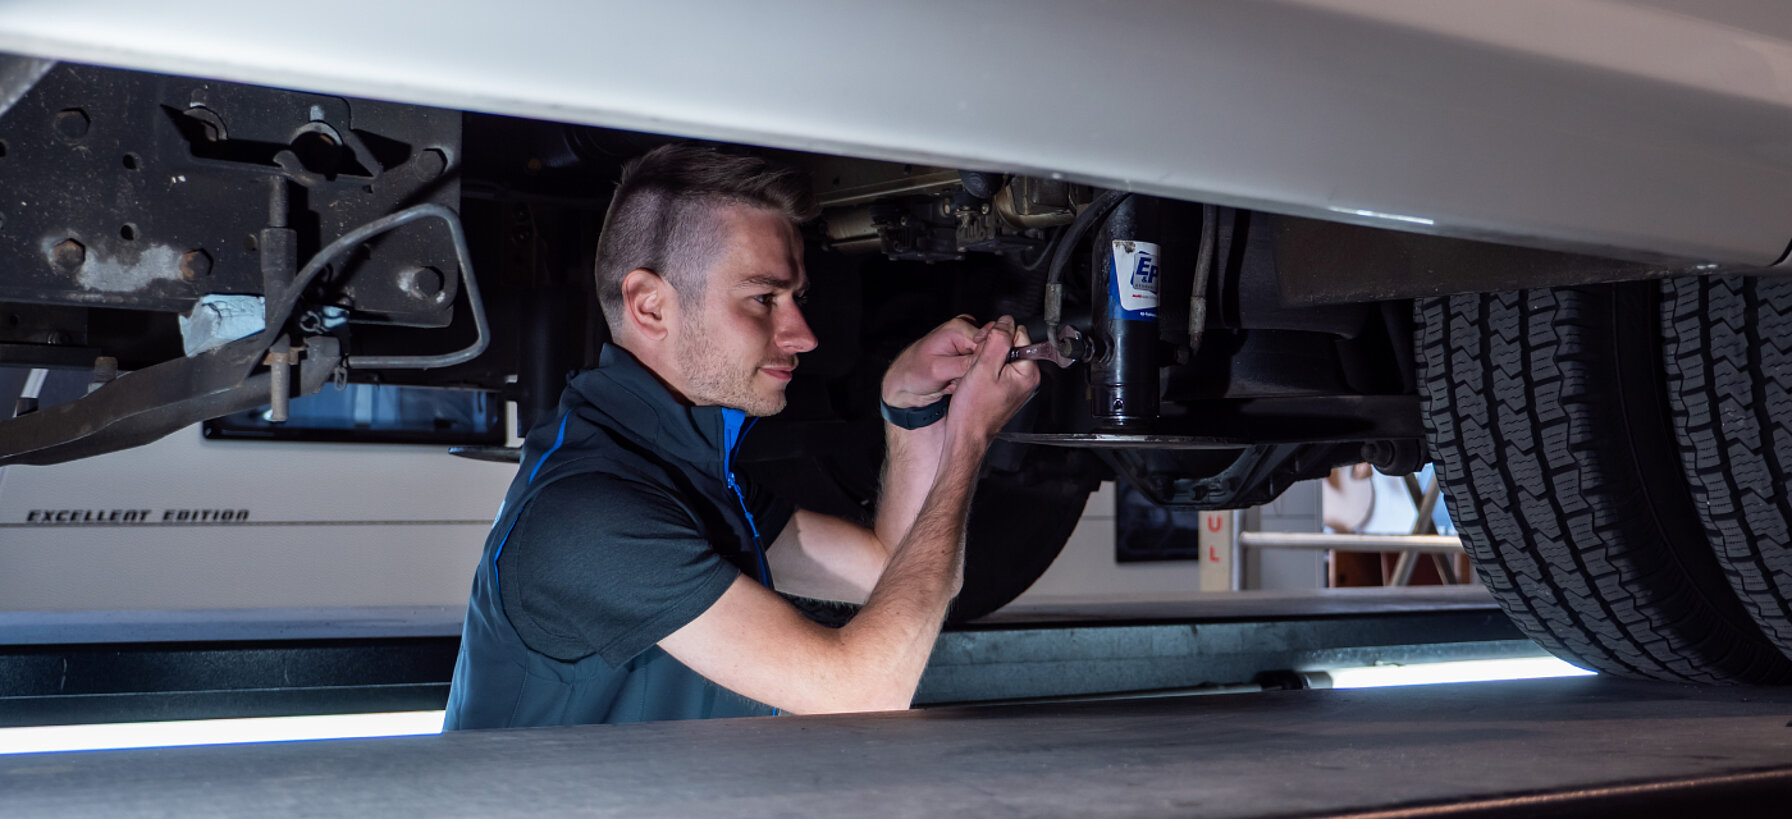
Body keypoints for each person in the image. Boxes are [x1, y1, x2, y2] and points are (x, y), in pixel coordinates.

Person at [443, 144, 1039, 727]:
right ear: (650, 306)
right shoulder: (591, 511)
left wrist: (910, 410)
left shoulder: (684, 477)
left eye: (795, 298)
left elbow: (892, 570)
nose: (803, 334)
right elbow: (862, 689)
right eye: (763, 298)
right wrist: (968, 441)